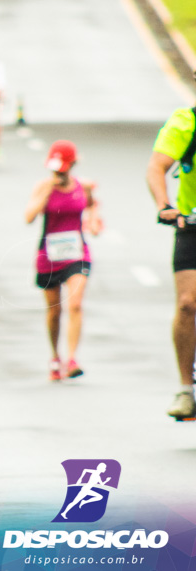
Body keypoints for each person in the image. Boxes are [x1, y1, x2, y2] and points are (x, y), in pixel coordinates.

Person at [25, 140, 102, 381]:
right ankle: (55, 356)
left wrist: (94, 219)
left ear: (72, 165)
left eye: (62, 169)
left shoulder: (83, 186)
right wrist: (47, 191)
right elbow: (28, 216)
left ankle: (72, 359)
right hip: (49, 256)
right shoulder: (43, 186)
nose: (58, 174)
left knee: (75, 304)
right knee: (54, 312)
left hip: (77, 253)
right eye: (55, 170)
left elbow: (91, 205)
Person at [146, 101, 196, 420]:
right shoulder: (185, 122)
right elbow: (156, 167)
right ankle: (185, 389)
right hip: (192, 224)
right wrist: (165, 204)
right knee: (188, 304)